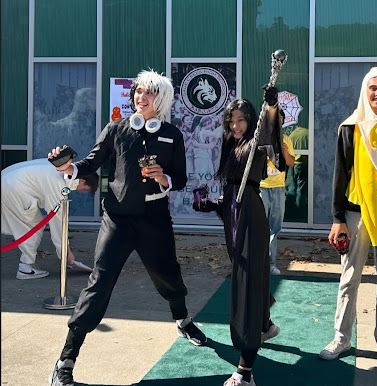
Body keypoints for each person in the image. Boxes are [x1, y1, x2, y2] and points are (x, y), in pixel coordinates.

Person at [47, 70, 207, 386]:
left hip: (155, 220)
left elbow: (182, 179)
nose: (141, 97)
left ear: (160, 100)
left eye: (149, 93)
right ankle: (65, 361)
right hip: (117, 220)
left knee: (169, 275)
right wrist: (68, 168)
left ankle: (182, 319)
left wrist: (165, 179)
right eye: (138, 92)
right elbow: (88, 165)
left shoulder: (172, 135)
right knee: (99, 283)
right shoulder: (116, 129)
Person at [193, 86, 284, 386]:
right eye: (232, 119)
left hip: (251, 217)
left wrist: (271, 107)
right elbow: (230, 191)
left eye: (242, 119)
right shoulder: (230, 144)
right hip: (233, 216)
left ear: (251, 120)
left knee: (245, 287)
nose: (236, 125)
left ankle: (245, 370)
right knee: (249, 277)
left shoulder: (257, 141)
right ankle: (264, 323)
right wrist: (209, 205)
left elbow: (274, 147)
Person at [319, 67, 377, 368]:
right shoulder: (351, 127)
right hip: (356, 216)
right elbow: (340, 174)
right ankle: (342, 337)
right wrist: (337, 217)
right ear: (364, 91)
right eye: (373, 88)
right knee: (349, 279)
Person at [1, 159, 98, 279]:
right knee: (32, 227)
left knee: (31, 224)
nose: (82, 191)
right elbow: (58, 222)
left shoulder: (62, 167)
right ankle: (25, 268)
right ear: (82, 180)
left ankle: (26, 265)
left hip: (7, 180)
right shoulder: (59, 184)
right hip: (12, 188)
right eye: (84, 189)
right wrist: (66, 254)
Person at [260, 109, 295, 275]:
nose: (277, 120)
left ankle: (271, 264)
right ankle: (257, 263)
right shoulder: (261, 137)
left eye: (280, 118)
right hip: (261, 187)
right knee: (259, 226)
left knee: (274, 228)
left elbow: (290, 163)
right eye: (275, 117)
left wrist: (286, 151)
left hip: (278, 188)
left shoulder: (286, 139)